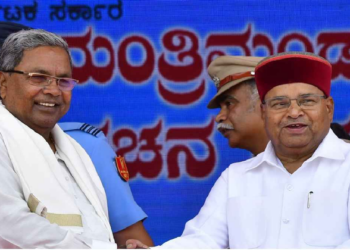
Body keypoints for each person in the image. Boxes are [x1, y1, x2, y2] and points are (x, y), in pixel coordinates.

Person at [127, 52, 350, 248]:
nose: (293, 112)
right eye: (280, 104)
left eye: (307, 101)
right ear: (264, 113)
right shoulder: (236, 178)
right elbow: (202, 241)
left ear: (328, 108)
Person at [0, 21, 153, 247]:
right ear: (3, 83)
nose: (53, 90)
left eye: (63, 81)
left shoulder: (76, 150)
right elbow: (11, 223)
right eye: (38, 77)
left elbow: (97, 228)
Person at [207, 56, 269, 155]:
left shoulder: (299, 168)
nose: (219, 117)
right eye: (221, 107)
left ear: (264, 104)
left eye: (229, 103)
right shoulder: (239, 170)